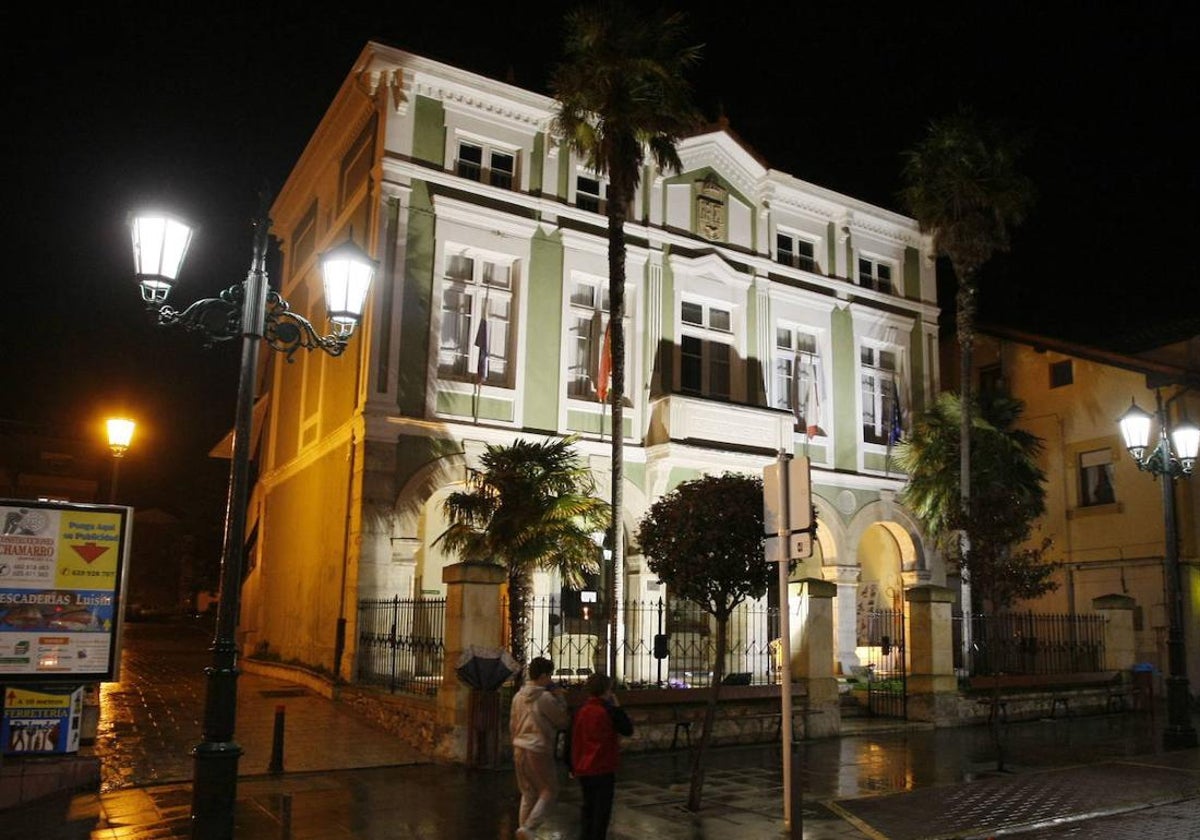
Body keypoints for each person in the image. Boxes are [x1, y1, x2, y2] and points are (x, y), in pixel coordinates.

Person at [510, 656, 570, 840]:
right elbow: (561, 720)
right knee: (549, 790)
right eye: (549, 675)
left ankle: (524, 830)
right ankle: (529, 828)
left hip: (519, 746)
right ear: (543, 675)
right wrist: (560, 698)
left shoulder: (518, 696)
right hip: (538, 747)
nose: (551, 679)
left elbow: (512, 723)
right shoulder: (544, 698)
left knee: (528, 793)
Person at [570, 673, 634, 840]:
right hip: (603, 766)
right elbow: (627, 729)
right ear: (607, 691)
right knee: (602, 812)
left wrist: (571, 765)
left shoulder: (581, 711)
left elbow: (573, 738)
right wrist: (618, 707)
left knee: (588, 807)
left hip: (583, 766)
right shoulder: (609, 711)